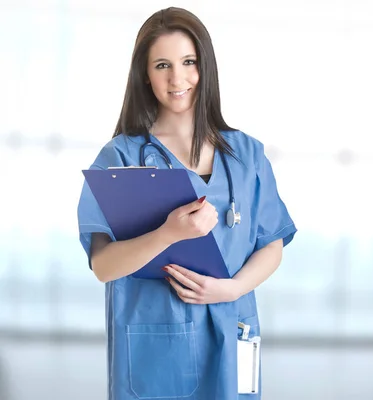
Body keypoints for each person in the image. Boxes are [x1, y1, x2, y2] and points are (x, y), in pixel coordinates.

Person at [76, 7, 296, 400]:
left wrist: (231, 290)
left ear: (205, 66)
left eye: (188, 62)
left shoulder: (247, 154)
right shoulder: (121, 158)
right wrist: (168, 234)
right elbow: (103, 266)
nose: (177, 78)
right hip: (156, 351)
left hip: (235, 328)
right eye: (162, 65)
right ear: (145, 74)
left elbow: (272, 244)